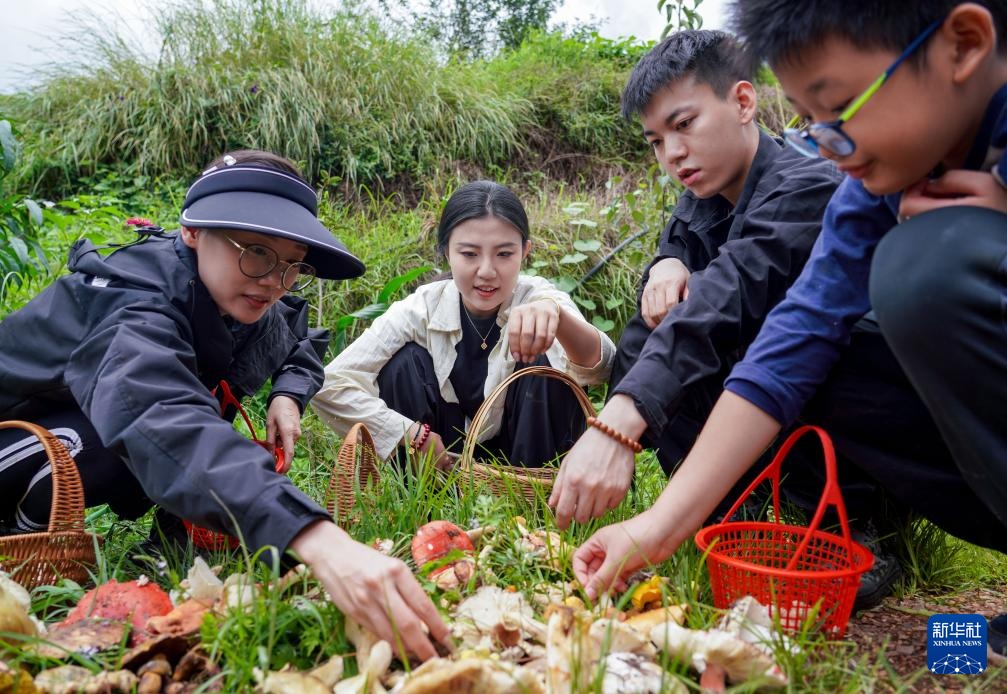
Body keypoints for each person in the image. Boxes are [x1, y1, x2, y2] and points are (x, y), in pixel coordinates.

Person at [571, 0, 1007, 651]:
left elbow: (736, 288)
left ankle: (849, 526)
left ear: (964, 44)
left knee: (920, 269)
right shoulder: (866, 187)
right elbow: (787, 344)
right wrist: (656, 528)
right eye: (811, 120)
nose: (829, 144)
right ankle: (765, 529)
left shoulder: (808, 182)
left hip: (885, 433)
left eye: (841, 108)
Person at [0, 150, 450, 660]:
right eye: (256, 252)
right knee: (115, 433)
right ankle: (22, 549)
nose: (274, 282)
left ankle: (168, 540)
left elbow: (299, 338)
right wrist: (312, 535)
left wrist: (287, 396)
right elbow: (156, 414)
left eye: (292, 265)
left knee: (195, 412)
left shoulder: (249, 297)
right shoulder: (132, 297)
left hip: (107, 424)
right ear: (192, 231)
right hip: (25, 431)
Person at [549, 31, 850, 525]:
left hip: (850, 416)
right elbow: (677, 276)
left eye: (684, 124)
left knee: (707, 331)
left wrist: (620, 425)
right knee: (648, 333)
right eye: (656, 142)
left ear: (743, 102)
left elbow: (723, 298)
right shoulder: (703, 198)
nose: (672, 153)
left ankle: (854, 524)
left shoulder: (808, 187)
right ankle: (732, 513)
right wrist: (666, 262)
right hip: (766, 417)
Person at [312, 181, 615, 469]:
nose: (486, 271)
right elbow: (330, 383)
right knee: (403, 364)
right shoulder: (423, 307)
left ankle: (535, 501)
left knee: (544, 362)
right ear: (447, 252)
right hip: (442, 456)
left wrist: (557, 318)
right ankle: (425, 498)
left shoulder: (540, 297)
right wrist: (408, 432)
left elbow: (602, 369)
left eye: (504, 254)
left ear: (526, 251)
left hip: (528, 456)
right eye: (469, 254)